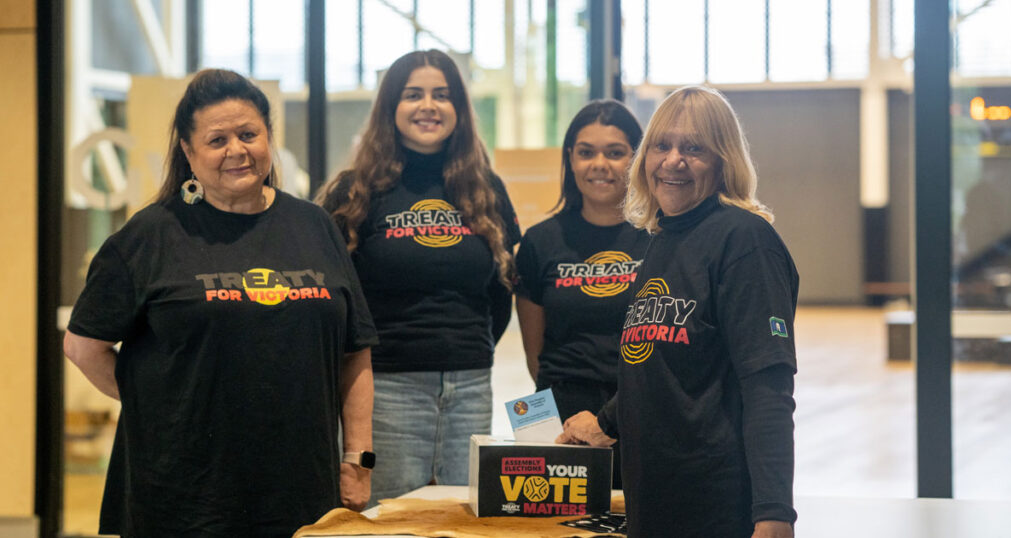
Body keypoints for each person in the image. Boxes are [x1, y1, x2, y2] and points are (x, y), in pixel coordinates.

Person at [63, 69, 377, 537]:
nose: (236, 150)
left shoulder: (314, 226)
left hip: (299, 486)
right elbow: (82, 346)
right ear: (189, 153)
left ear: (268, 138)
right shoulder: (150, 235)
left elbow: (355, 351)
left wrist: (357, 458)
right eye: (217, 140)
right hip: (184, 494)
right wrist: (163, 406)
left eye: (248, 134)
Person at [557, 86, 799, 538]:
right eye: (661, 146)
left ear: (724, 160)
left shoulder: (745, 241)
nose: (673, 161)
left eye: (693, 148)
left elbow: (768, 385)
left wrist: (774, 512)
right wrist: (604, 423)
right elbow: (656, 371)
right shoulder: (664, 238)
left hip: (718, 507)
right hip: (655, 502)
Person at [317, 49, 520, 505]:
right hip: (388, 388)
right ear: (390, 107)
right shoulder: (354, 191)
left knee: (462, 518)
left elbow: (500, 291)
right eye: (413, 95)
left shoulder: (486, 189)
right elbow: (337, 298)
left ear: (458, 108)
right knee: (389, 522)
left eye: (441, 95)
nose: (428, 106)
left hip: (470, 384)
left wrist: (468, 346)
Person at [514, 100, 647, 488]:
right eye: (586, 153)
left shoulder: (660, 238)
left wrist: (612, 416)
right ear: (570, 159)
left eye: (615, 153)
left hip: (638, 410)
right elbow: (535, 355)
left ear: (636, 159)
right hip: (560, 417)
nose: (599, 164)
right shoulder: (540, 242)